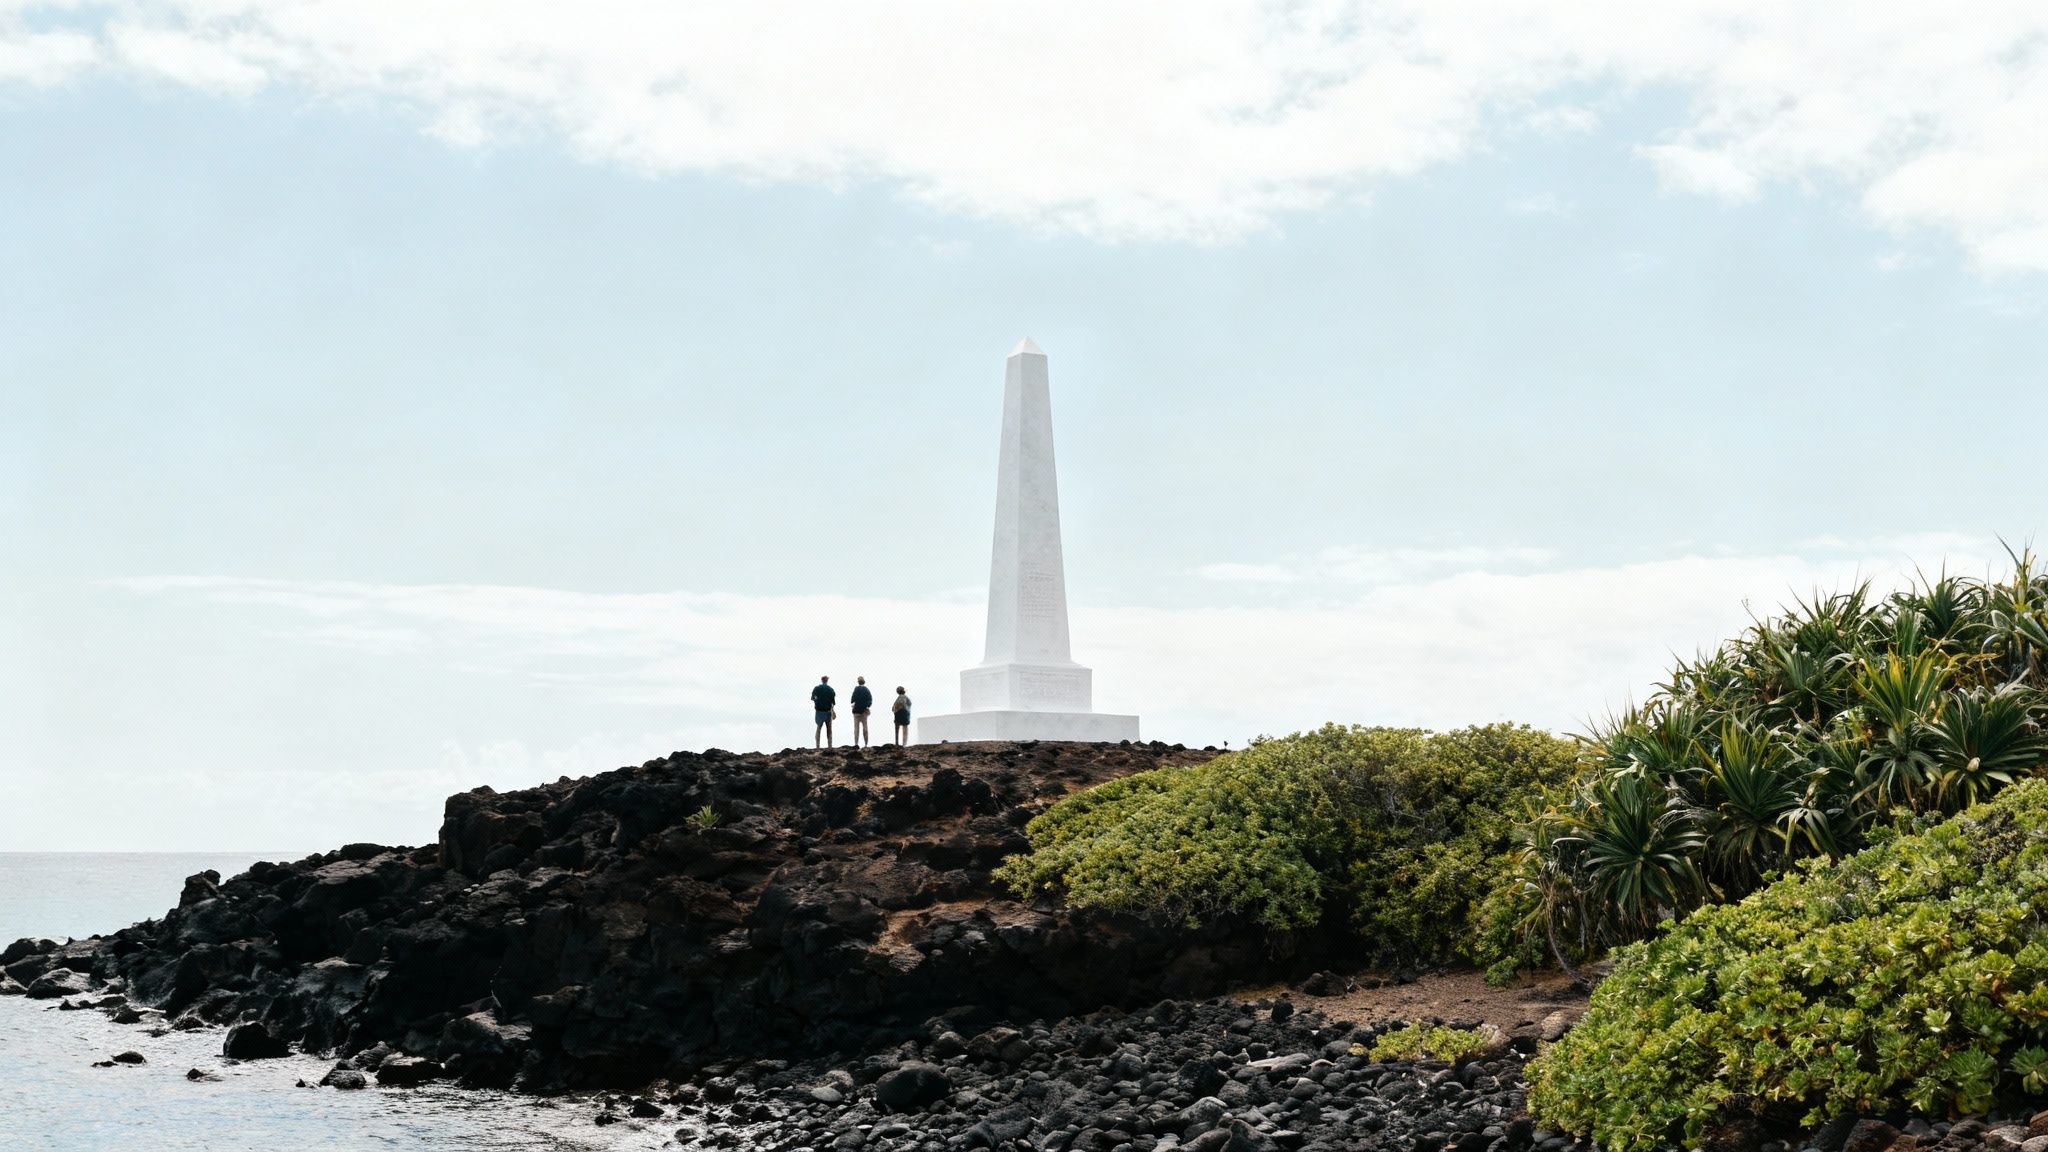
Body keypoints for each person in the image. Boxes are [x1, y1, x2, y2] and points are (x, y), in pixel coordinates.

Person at [811, 675, 836, 748]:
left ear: (822, 680)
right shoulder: (831, 689)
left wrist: (817, 702)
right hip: (828, 711)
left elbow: (812, 698)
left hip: (819, 711)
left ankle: (817, 746)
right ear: (827, 681)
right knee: (829, 729)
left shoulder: (817, 688)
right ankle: (830, 746)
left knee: (818, 728)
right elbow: (833, 703)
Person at [849, 676, 874, 747]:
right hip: (864, 711)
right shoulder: (867, 690)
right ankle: (866, 744)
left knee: (856, 728)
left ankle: (856, 743)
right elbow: (870, 700)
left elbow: (852, 699)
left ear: (858, 682)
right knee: (865, 728)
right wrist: (867, 706)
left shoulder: (856, 689)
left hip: (856, 711)